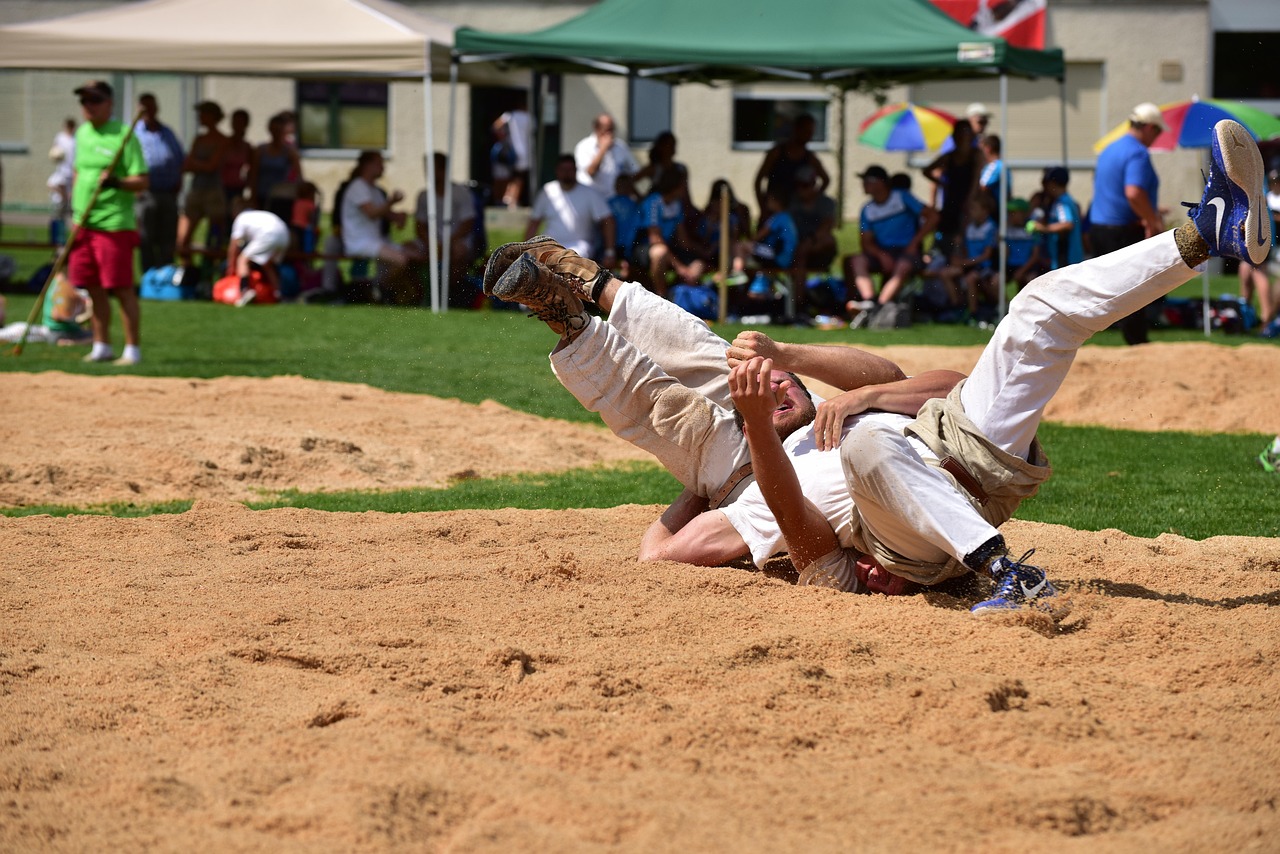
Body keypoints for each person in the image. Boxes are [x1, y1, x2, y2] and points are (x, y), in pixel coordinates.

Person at [726, 118, 1270, 612]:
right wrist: (745, 440)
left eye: (779, 384)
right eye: (759, 401)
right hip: (906, 540)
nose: (773, 392)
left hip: (959, 436)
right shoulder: (754, 490)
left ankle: (1209, 234)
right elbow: (664, 549)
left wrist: (853, 393)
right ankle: (1008, 573)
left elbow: (946, 384)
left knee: (1038, 305)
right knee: (866, 448)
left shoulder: (835, 413)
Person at [478, 234, 946, 596]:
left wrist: (701, 489)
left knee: (666, 410)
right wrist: (802, 364)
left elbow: (657, 558)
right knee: (709, 354)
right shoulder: (850, 414)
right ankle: (587, 278)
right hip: (818, 418)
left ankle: (567, 318)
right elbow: (915, 381)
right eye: (780, 379)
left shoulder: (774, 513)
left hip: (750, 475)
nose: (778, 381)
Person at [68, 80, 149, 366]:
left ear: (109, 103)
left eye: (95, 100)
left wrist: (115, 182)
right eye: (85, 101)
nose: (88, 106)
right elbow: (78, 173)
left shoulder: (125, 135)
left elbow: (142, 180)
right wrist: (74, 214)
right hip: (83, 223)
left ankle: (132, 350)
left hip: (114, 224)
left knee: (121, 287)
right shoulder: (82, 134)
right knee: (91, 287)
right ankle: (101, 344)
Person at [1091, 102, 1165, 345]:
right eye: (1157, 132)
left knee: (1112, 289)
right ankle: (1137, 343)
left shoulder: (1110, 148)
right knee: (1134, 290)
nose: (1157, 138)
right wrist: (1151, 220)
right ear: (1149, 127)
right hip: (1122, 231)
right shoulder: (1137, 152)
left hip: (1100, 228)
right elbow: (1133, 193)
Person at [841, 165, 937, 319]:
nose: (863, 184)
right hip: (883, 252)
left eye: (868, 180)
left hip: (907, 251)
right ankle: (870, 301)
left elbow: (933, 217)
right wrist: (881, 255)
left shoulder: (902, 197)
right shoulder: (867, 209)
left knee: (903, 265)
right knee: (856, 260)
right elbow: (865, 242)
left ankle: (878, 307)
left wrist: (914, 243)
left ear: (880, 182)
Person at [526, 153, 616, 264]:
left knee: (570, 264)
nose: (566, 173)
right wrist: (525, 249)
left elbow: (608, 220)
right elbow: (534, 222)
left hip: (580, 246)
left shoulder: (590, 193)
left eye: (570, 169)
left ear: (576, 170)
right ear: (557, 171)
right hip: (549, 244)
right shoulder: (547, 191)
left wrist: (609, 252)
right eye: (563, 169)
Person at [414, 152, 479, 305]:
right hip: (431, 241)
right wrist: (431, 243)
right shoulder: (424, 196)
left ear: (443, 170)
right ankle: (414, 294)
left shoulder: (461, 193)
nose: (428, 173)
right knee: (406, 252)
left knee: (458, 252)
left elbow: (467, 224)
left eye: (432, 169)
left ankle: (451, 293)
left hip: (456, 240)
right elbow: (419, 226)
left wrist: (446, 243)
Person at [342, 149, 424, 269]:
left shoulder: (375, 190)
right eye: (379, 163)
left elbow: (387, 214)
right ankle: (382, 286)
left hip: (377, 241)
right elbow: (371, 213)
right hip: (360, 243)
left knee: (418, 256)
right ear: (367, 165)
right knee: (402, 260)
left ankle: (388, 285)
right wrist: (391, 202)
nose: (383, 167)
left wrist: (400, 217)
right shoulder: (358, 186)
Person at [132, 92, 184, 271]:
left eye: (151, 107)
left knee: (168, 236)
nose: (148, 111)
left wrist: (179, 181)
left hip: (168, 192)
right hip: (146, 193)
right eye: (144, 108)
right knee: (146, 236)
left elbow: (179, 158)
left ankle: (165, 272)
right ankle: (149, 274)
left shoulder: (167, 132)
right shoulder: (134, 133)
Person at [633, 169, 703, 296]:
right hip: (643, 248)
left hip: (668, 247)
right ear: (675, 186)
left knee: (697, 264)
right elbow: (655, 239)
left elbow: (683, 241)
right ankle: (661, 296)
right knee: (660, 253)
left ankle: (680, 297)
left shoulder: (677, 204)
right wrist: (680, 267)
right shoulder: (652, 203)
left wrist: (703, 251)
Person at [176, 100, 229, 260]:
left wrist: (197, 164)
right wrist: (202, 164)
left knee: (215, 240)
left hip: (213, 192)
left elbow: (212, 166)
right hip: (196, 189)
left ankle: (211, 273)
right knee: (183, 240)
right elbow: (186, 165)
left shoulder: (222, 139)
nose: (199, 117)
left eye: (203, 114)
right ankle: (187, 271)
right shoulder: (199, 138)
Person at [924, 120, 982, 259]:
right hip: (951, 202)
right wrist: (941, 183)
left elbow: (976, 179)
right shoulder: (949, 156)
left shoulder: (976, 155)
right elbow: (927, 170)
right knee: (945, 237)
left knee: (962, 239)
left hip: (967, 202)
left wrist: (970, 199)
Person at [938, 193, 998, 320]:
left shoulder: (990, 228)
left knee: (971, 279)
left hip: (982, 267)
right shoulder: (969, 227)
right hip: (969, 264)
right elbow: (964, 250)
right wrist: (959, 250)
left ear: (985, 211)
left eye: (974, 209)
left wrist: (965, 263)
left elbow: (986, 256)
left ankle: (973, 313)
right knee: (945, 273)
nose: (971, 212)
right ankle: (957, 306)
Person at [753, 113, 829, 213]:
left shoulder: (810, 157)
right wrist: (763, 206)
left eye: (811, 132)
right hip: (775, 209)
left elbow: (826, 179)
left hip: (797, 212)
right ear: (796, 129)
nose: (809, 136)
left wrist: (812, 198)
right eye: (806, 131)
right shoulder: (776, 153)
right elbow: (758, 180)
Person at [787, 166, 838, 310]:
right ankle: (798, 304)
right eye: (799, 185)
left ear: (813, 184)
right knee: (800, 253)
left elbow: (827, 227)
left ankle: (800, 303)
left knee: (826, 240)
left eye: (805, 185)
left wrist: (810, 241)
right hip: (797, 249)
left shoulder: (826, 203)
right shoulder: (793, 203)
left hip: (818, 248)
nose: (801, 189)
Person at [226, 209, 290, 307]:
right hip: (284, 235)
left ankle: (245, 291)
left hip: (268, 234)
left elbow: (234, 246)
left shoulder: (239, 219)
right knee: (267, 265)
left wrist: (231, 266)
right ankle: (278, 294)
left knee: (242, 260)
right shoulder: (256, 215)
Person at [1028, 166, 1083, 271]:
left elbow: (1067, 224)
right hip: (1064, 259)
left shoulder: (1062, 202)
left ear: (1052, 184)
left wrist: (1043, 228)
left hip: (1067, 259)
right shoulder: (1060, 201)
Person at [574, 113, 640, 200]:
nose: (610, 134)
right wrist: (603, 149)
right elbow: (591, 172)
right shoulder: (584, 147)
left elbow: (635, 171)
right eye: (607, 130)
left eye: (612, 130)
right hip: (592, 199)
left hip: (615, 199)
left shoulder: (620, 147)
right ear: (596, 129)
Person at [251, 111, 302, 222]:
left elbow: (299, 175)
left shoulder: (290, 152)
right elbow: (253, 174)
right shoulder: (260, 150)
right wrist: (253, 196)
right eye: (273, 130)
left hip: (282, 198)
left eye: (278, 130)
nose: (275, 133)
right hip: (262, 195)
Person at [493, 92, 532, 208]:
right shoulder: (528, 117)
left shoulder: (510, 115)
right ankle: (512, 200)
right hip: (523, 151)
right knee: (518, 177)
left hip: (510, 151)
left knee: (509, 176)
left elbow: (496, 126)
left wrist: (503, 137)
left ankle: (506, 198)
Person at [47, 117, 77, 246]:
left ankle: (72, 239)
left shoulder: (76, 140)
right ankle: (58, 240)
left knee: (72, 215)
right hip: (64, 175)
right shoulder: (60, 137)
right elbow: (51, 184)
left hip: (73, 175)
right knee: (59, 216)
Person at [221, 108, 254, 219]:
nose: (237, 125)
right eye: (235, 122)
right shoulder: (224, 144)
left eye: (240, 122)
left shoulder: (247, 147)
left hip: (238, 189)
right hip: (221, 187)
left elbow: (252, 170)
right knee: (219, 219)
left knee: (234, 217)